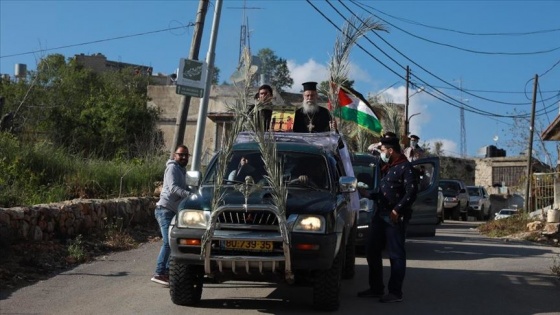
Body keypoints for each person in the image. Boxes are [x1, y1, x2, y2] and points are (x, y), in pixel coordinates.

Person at [357, 136, 418, 303]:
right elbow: (385, 192)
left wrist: (397, 210)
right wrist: (368, 194)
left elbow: (411, 193)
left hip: (394, 218)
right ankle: (376, 288)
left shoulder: (406, 168)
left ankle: (395, 292)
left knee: (395, 255)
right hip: (380, 215)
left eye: (383, 150)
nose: (381, 154)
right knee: (371, 249)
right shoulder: (389, 167)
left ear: (391, 151)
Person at [151, 145, 192, 286]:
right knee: (168, 242)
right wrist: (189, 195)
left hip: (173, 211)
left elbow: (185, 187)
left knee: (172, 242)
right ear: (175, 155)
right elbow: (174, 188)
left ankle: (167, 271)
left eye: (186, 155)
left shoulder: (182, 170)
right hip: (164, 210)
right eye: (181, 155)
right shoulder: (173, 168)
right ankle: (159, 272)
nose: (184, 157)